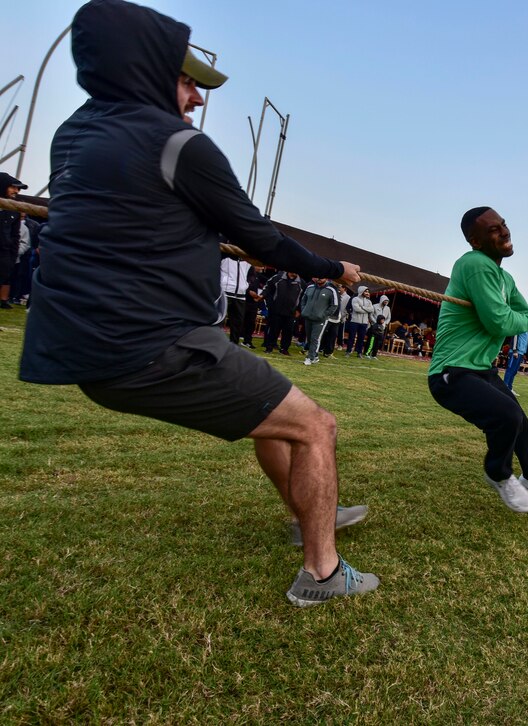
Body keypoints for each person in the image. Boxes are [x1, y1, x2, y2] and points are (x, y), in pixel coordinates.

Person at [18, 0, 376, 606]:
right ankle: (321, 573)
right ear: (145, 72)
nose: (198, 98)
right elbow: (261, 239)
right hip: (155, 345)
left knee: (274, 412)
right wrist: (335, 271)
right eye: (188, 81)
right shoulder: (180, 146)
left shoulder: (73, 135)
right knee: (317, 426)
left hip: (83, 351)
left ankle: (308, 515)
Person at [428, 207, 528, 512]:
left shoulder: (504, 278)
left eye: (504, 224)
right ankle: (498, 473)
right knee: (507, 415)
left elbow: (527, 313)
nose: (505, 231)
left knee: (522, 423)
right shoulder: (473, 263)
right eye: (494, 229)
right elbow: (499, 321)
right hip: (451, 372)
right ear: (476, 240)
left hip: (481, 370)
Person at [0, 172, 30, 309]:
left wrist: (11, 259)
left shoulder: (14, 210)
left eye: (18, 188)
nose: (16, 191)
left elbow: (15, 236)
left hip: (4, 256)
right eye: (13, 187)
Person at [262, 270, 303, 355]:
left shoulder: (301, 283)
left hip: (291, 312)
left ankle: (284, 349)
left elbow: (304, 298)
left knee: (288, 332)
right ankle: (269, 347)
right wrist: (270, 305)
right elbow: (267, 288)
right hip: (276, 310)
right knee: (273, 330)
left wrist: (299, 310)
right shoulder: (277, 278)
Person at [300, 277, 338, 366]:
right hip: (308, 317)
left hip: (320, 319)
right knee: (309, 339)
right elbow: (303, 300)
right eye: (318, 276)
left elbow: (334, 305)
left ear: (327, 278)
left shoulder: (331, 290)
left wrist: (324, 315)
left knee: (315, 338)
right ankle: (315, 356)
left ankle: (310, 357)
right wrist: (304, 310)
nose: (319, 278)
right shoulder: (310, 287)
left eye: (322, 277)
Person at [346, 284, 374, 358]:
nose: (367, 293)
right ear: (361, 291)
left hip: (364, 322)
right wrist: (366, 309)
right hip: (355, 321)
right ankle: (348, 351)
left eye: (368, 291)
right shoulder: (355, 299)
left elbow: (371, 309)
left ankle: (359, 352)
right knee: (351, 337)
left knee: (361, 338)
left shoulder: (369, 301)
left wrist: (362, 307)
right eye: (365, 291)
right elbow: (356, 309)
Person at [503, 331, 528, 395]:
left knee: (514, 371)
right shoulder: (521, 327)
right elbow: (515, 336)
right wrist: (514, 350)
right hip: (515, 352)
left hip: (521, 352)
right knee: (510, 370)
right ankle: (504, 388)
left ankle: (509, 388)